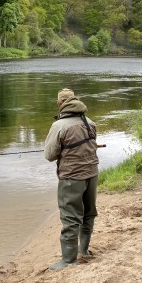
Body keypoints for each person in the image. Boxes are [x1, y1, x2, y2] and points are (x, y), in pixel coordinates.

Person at [44, 88, 99, 270]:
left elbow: (50, 155)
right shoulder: (90, 122)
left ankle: (68, 260)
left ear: (59, 104)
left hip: (71, 178)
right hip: (92, 174)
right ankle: (84, 250)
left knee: (70, 217)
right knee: (88, 213)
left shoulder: (59, 126)